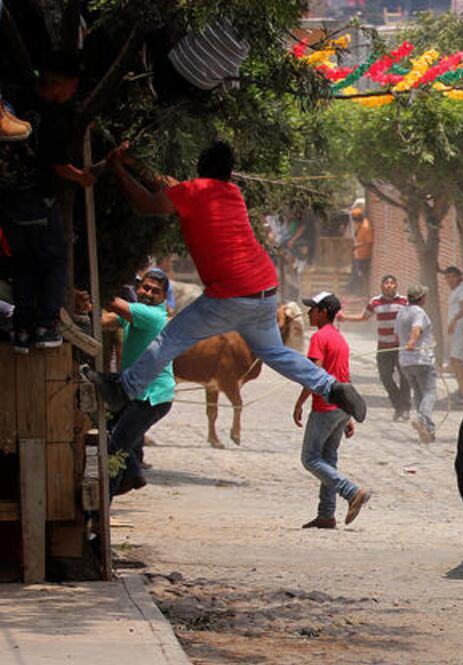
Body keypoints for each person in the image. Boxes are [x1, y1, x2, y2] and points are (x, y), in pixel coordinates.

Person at [85, 141, 367, 422]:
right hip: (264, 290)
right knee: (274, 352)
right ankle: (332, 386)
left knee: (170, 338)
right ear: (229, 174)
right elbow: (170, 185)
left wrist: (117, 168)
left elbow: (147, 203)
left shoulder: (191, 192)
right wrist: (132, 163)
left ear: (199, 168)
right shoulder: (231, 193)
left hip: (230, 294)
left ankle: (123, 388)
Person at [2, 52, 95, 352]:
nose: (72, 95)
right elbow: (58, 166)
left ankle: (22, 331)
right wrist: (81, 178)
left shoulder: (11, 96)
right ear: (59, 84)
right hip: (37, 202)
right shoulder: (52, 118)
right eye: (71, 88)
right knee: (54, 261)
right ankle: (45, 326)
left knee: (24, 265)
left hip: (7, 203)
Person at [293, 291, 370, 528]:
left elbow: (314, 374)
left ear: (323, 312)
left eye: (312, 309)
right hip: (340, 407)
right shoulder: (339, 338)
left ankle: (352, 491)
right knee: (328, 458)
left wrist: (299, 402)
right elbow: (343, 376)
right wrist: (347, 416)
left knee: (310, 458)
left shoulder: (319, 338)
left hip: (325, 406)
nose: (308, 313)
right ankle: (326, 514)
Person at [101, 270, 175, 498]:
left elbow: (112, 304)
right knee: (113, 435)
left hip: (151, 397)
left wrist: (91, 289)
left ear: (163, 297)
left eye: (155, 291)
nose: (149, 293)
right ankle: (133, 474)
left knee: (114, 449)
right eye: (145, 288)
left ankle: (103, 507)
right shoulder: (138, 313)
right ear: (138, 288)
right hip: (134, 391)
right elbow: (107, 320)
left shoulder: (151, 315)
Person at [341, 275, 411, 421]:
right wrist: (345, 317)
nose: (389, 285)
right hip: (383, 346)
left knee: (405, 378)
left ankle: (405, 408)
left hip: (401, 347)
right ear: (381, 286)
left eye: (392, 283)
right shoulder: (375, 302)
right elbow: (363, 317)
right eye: (386, 283)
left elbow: (413, 320)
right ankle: (399, 405)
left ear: (396, 286)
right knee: (385, 377)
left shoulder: (405, 302)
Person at [396, 285, 438, 443]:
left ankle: (427, 429)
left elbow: (397, 333)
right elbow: (417, 328)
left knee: (419, 393)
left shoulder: (401, 312)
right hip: (421, 359)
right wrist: (413, 341)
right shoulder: (419, 312)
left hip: (405, 361)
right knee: (430, 392)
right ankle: (423, 419)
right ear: (422, 298)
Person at [443, 266, 463, 402]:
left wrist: (455, 320)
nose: (450, 280)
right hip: (456, 332)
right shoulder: (455, 291)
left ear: (460, 277)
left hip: (461, 330)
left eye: (453, 277)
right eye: (448, 277)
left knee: (458, 360)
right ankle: (461, 390)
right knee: (456, 361)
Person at [349, 207, 374, 296]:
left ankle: (362, 294)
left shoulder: (365, 227)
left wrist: (357, 246)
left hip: (363, 256)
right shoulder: (361, 224)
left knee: (361, 275)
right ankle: (358, 292)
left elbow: (369, 241)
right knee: (357, 274)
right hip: (358, 255)